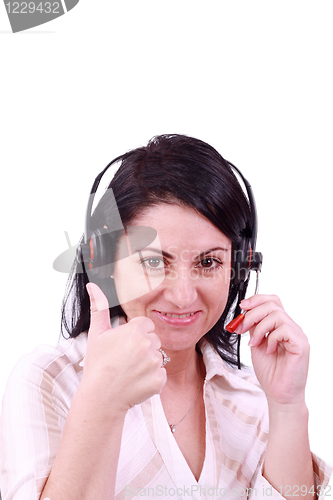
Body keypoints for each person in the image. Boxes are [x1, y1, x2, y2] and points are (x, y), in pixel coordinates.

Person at [0, 134, 331, 500]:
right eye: (154, 261)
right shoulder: (49, 382)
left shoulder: (253, 397)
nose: (183, 295)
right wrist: (101, 402)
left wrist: (286, 407)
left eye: (208, 262)